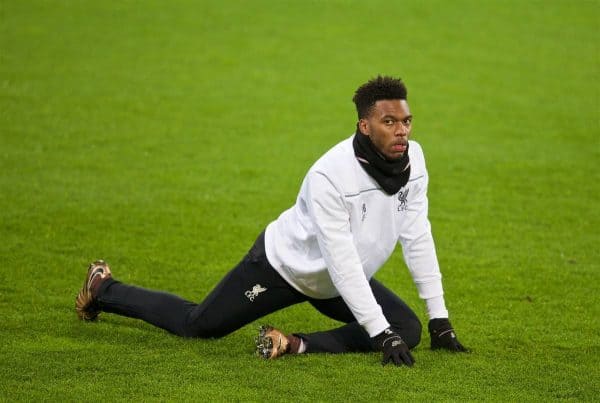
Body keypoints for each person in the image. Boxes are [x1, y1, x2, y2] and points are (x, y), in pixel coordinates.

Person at [76, 76, 468, 367]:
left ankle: (294, 344)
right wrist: (381, 335)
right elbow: (341, 260)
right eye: (389, 122)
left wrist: (440, 318)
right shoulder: (330, 176)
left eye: (406, 121)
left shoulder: (415, 162)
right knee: (198, 326)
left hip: (338, 282)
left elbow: (417, 235)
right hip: (283, 267)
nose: (401, 131)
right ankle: (104, 287)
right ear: (364, 126)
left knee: (409, 329)